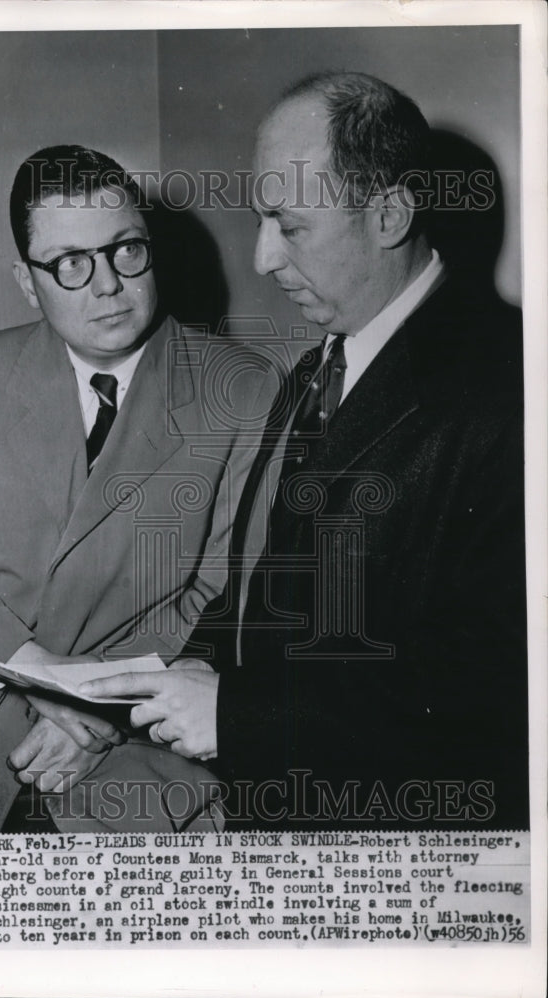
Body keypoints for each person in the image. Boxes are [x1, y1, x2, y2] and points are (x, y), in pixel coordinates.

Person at [82, 73, 529, 830]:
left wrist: (239, 716)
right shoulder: (315, 370)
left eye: (289, 227)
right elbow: (260, 584)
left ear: (389, 214)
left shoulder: (511, 384)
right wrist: (187, 671)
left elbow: (497, 703)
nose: (261, 258)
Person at [0, 145, 269, 834]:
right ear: (27, 283)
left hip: (136, 740)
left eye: (126, 250)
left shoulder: (243, 389)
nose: (107, 286)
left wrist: (93, 705)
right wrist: (39, 683)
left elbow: (220, 593)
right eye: (70, 263)